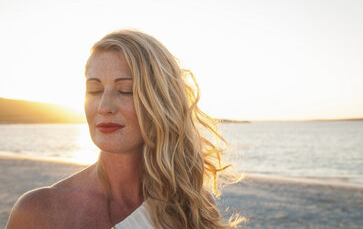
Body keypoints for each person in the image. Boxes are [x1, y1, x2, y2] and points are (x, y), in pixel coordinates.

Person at [6, 29, 242, 229]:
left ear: (161, 102)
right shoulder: (39, 211)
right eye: (94, 90)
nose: (104, 106)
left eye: (126, 90)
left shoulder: (194, 206)